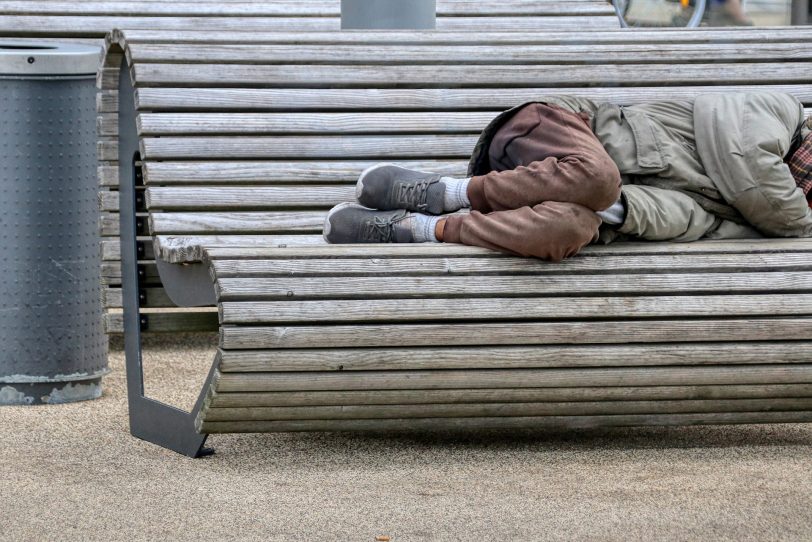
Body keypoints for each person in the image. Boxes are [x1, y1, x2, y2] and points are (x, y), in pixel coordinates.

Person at [323, 93, 812, 261]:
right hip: (552, 132)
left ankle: (418, 228)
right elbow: (750, 169)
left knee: (573, 229)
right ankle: (445, 192)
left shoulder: (749, 212)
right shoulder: (775, 112)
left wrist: (614, 214)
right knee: (599, 178)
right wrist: (793, 223)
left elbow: (677, 218)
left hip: (566, 194)